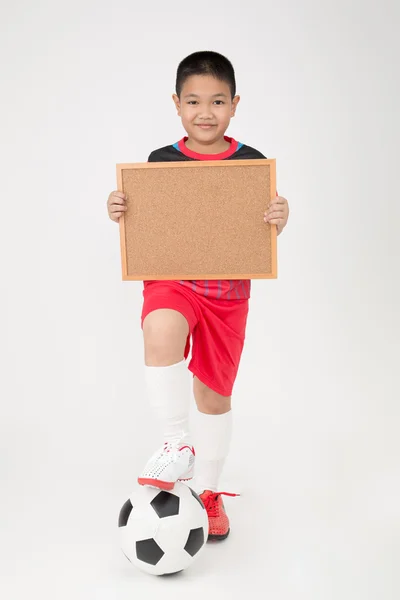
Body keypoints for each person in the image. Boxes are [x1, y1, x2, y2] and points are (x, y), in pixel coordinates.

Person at [107, 51, 289, 541]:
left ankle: (208, 491)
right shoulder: (160, 162)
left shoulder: (251, 163)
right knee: (160, 325)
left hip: (228, 294)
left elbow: (257, 234)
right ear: (176, 104)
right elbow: (146, 225)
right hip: (175, 280)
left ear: (234, 105)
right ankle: (175, 444)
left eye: (217, 101)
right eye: (193, 101)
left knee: (213, 395)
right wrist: (121, 206)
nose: (205, 111)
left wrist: (277, 218)